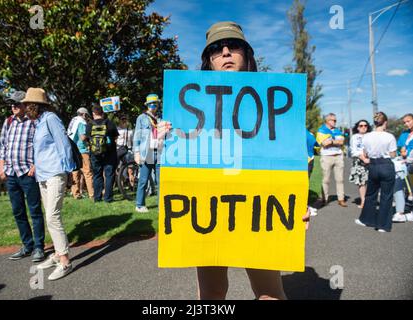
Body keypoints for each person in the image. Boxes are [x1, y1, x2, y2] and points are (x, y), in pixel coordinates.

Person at [194, 21, 310, 300]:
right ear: (208, 60)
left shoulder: (273, 103)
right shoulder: (191, 103)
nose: (225, 52)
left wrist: (296, 200)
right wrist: (166, 134)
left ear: (246, 55)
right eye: (216, 49)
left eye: (233, 46)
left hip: (260, 209)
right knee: (211, 292)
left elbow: (290, 155)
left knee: (269, 293)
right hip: (208, 208)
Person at [24, 87, 75, 280]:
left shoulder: (51, 119)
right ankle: (56, 255)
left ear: (35, 105)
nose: (25, 108)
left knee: (53, 217)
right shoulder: (38, 123)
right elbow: (43, 149)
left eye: (28, 104)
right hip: (43, 175)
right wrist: (35, 166)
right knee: (49, 217)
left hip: (55, 173)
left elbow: (63, 144)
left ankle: (65, 262)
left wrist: (68, 170)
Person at [0, 90, 45, 262]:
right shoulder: (9, 122)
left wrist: (35, 165)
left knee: (35, 211)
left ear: (25, 105)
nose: (13, 107)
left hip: (27, 172)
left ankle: (39, 247)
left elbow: (41, 145)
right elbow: (3, 145)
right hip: (11, 173)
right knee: (18, 211)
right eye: (12, 104)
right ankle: (27, 245)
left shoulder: (34, 122)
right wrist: (2, 167)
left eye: (17, 104)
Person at [355, 112, 397, 232]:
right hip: (386, 165)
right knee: (386, 196)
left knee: (371, 194)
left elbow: (365, 153)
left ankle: (366, 220)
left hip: (373, 165)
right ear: (385, 122)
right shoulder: (390, 136)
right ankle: (382, 225)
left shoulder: (366, 136)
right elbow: (393, 154)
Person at [133, 94, 170, 213]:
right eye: (150, 104)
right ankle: (140, 205)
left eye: (155, 103)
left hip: (159, 151)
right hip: (146, 152)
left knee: (161, 181)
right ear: (147, 105)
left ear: (158, 104)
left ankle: (161, 206)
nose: (152, 106)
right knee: (143, 180)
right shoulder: (141, 118)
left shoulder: (162, 119)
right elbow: (136, 137)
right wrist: (136, 153)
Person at [84, 105, 119, 203]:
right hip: (109, 153)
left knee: (97, 175)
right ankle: (108, 198)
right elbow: (116, 137)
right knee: (109, 175)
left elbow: (86, 139)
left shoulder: (89, 125)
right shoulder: (110, 123)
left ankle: (97, 197)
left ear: (93, 113)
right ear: (102, 113)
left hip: (95, 153)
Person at [316, 113, 347, 207]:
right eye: (333, 120)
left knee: (340, 179)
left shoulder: (338, 131)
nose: (335, 122)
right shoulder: (321, 130)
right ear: (327, 120)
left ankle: (341, 199)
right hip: (326, 157)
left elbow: (341, 142)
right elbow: (324, 143)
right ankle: (324, 199)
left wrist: (331, 141)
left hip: (338, 156)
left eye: (335, 120)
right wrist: (334, 142)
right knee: (326, 179)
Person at [68, 107, 94, 200]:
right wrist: (89, 139)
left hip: (72, 149)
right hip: (81, 149)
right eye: (87, 115)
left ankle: (76, 193)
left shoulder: (73, 120)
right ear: (83, 114)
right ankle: (92, 194)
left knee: (75, 172)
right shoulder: (81, 122)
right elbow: (83, 137)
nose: (87, 117)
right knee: (88, 172)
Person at [348, 120, 371, 208]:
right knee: (362, 183)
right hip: (359, 161)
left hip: (371, 160)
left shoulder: (371, 136)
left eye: (365, 125)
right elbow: (353, 151)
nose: (363, 127)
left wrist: (368, 157)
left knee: (373, 182)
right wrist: (363, 158)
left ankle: (371, 201)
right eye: (361, 125)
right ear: (357, 127)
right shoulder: (354, 137)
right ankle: (363, 201)